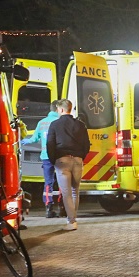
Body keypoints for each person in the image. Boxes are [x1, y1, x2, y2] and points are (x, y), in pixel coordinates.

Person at [46, 99, 90, 231]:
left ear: (60, 110)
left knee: (66, 193)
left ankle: (72, 221)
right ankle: (73, 218)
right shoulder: (81, 125)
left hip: (62, 161)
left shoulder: (54, 124)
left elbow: (50, 144)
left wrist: (54, 160)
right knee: (75, 191)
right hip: (77, 160)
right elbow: (86, 144)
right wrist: (81, 156)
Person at [21, 99, 64, 218]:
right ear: (57, 109)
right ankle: (62, 207)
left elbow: (34, 139)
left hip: (46, 157)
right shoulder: (60, 121)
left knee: (48, 182)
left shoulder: (42, 122)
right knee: (62, 181)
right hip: (59, 156)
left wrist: (25, 141)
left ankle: (48, 208)